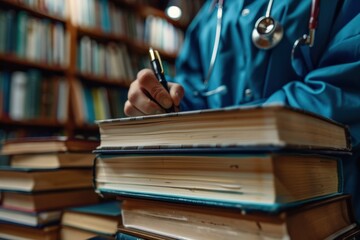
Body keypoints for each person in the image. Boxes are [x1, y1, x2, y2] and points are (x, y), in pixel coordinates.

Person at [124, 0, 360, 221]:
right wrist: (161, 103)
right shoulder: (207, 17)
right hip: (221, 204)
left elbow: (344, 87)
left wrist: (223, 127)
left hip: (319, 204)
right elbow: (192, 95)